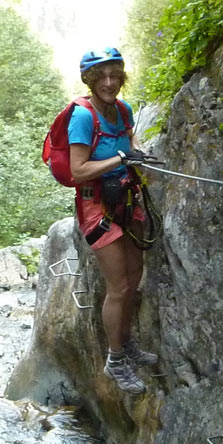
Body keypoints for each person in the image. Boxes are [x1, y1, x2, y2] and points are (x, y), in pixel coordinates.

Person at [67, 46, 158, 394]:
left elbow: (129, 138)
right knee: (118, 285)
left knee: (135, 276)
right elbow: (77, 170)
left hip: (126, 195)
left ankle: (127, 341)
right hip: (96, 207)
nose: (109, 82)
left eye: (114, 75)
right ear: (90, 80)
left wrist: (137, 153)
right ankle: (115, 357)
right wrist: (119, 158)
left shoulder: (123, 110)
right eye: (101, 76)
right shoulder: (83, 117)